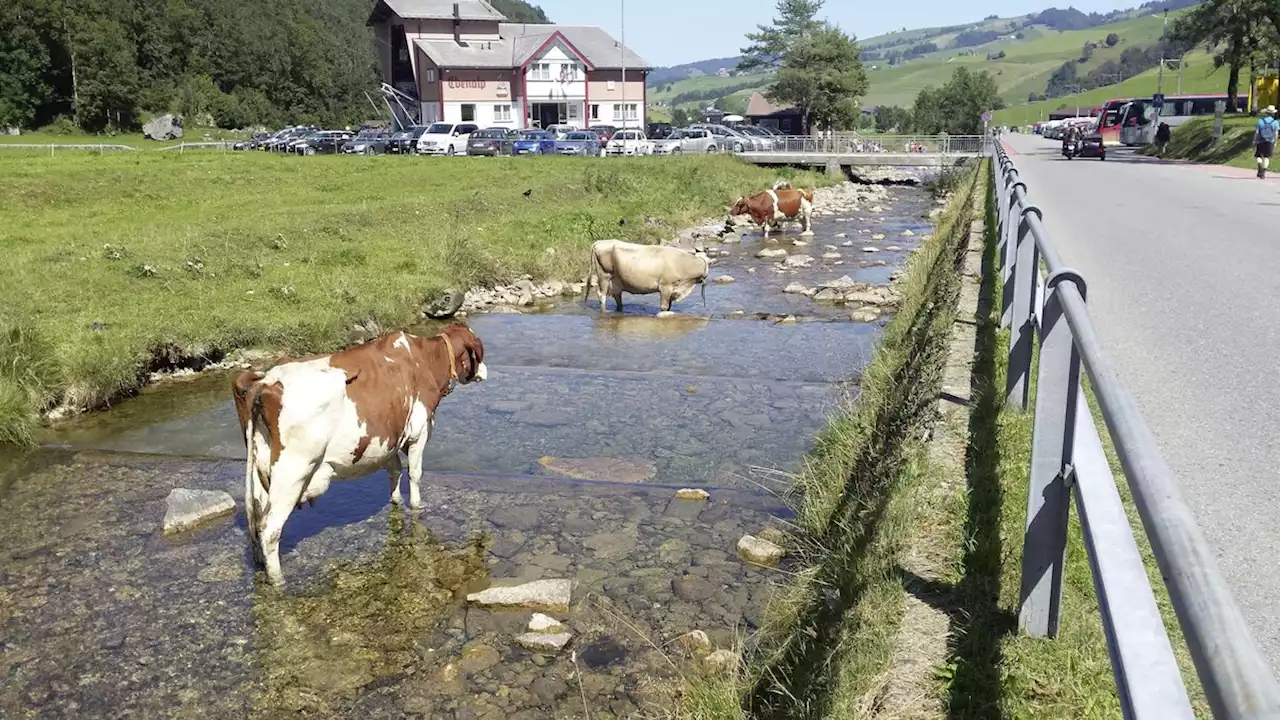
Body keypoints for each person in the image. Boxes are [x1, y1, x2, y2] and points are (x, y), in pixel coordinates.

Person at [1255, 106, 1278, 179]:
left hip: (1260, 140)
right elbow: (1276, 133)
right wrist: (1275, 142)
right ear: (1273, 114)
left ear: (1266, 113)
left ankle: (1260, 165)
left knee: (1258, 156)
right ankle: (1263, 173)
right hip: (1270, 141)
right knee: (1266, 157)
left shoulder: (1260, 121)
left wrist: (1254, 140)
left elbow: (1257, 132)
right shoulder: (1275, 122)